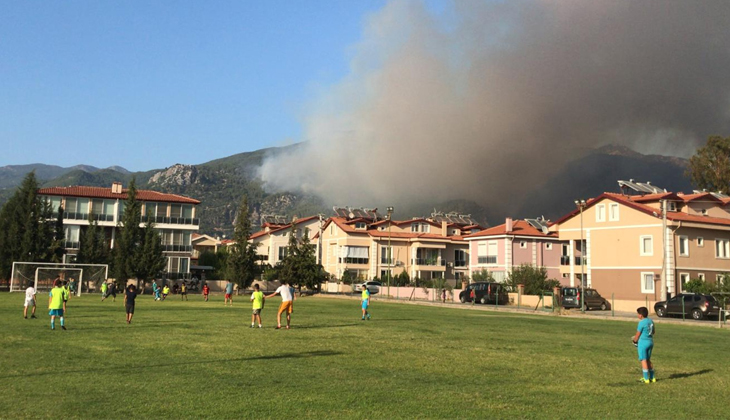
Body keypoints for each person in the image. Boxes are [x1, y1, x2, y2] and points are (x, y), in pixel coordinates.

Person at [632, 306, 656, 383]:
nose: (637, 315)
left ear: (641, 315)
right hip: (650, 342)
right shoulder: (651, 321)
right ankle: (652, 377)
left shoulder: (641, 323)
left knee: (643, 360)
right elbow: (653, 332)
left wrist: (634, 340)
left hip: (643, 343)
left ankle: (646, 379)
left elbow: (638, 334)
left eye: (638, 314)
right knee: (648, 360)